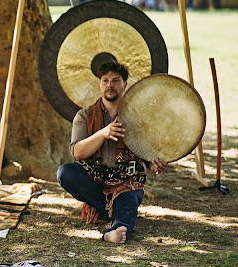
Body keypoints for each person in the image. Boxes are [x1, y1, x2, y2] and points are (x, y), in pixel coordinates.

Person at [56, 62, 169, 244]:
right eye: (105, 80)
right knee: (65, 173)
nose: (110, 85)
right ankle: (111, 211)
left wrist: (152, 163)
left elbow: (146, 151)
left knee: (129, 199)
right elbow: (78, 153)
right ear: (100, 84)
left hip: (126, 181)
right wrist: (102, 133)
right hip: (95, 181)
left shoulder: (136, 117)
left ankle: (114, 231)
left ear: (125, 84)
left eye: (115, 81)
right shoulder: (84, 116)